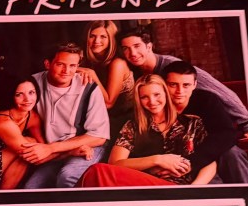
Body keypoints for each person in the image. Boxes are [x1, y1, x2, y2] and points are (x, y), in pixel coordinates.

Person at [79, 74, 215, 187]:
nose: (152, 101)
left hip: (181, 187)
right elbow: (115, 163)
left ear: (166, 93)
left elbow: (211, 161)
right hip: (145, 185)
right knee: (98, 171)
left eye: (157, 94)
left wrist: (195, 188)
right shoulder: (133, 126)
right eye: (144, 97)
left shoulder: (193, 122)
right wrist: (157, 160)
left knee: (97, 172)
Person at [118, 26, 248, 136]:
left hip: (209, 123)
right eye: (126, 49)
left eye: (137, 46)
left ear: (149, 47)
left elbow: (222, 93)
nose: (133, 53)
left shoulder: (172, 66)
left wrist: (247, 124)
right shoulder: (135, 72)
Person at [21, 42, 111, 188]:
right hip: (55, 153)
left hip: (85, 147)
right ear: (47, 64)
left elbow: (99, 136)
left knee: (67, 177)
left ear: (78, 66)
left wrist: (51, 148)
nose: (66, 71)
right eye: (60, 64)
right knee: (31, 189)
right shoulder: (32, 84)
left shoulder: (89, 87)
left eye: (72, 66)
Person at [162, 60, 248, 183]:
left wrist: (193, 162)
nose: (180, 91)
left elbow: (226, 134)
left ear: (194, 85)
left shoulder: (206, 100)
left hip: (208, 151)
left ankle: (245, 192)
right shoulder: (157, 104)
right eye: (173, 85)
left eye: (186, 85)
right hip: (177, 156)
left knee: (232, 153)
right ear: (164, 84)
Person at [75, 20, 133, 132]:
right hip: (98, 117)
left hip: (123, 120)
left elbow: (108, 103)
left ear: (111, 39)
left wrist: (92, 74)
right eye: (92, 36)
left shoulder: (118, 63)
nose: (97, 41)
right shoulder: (87, 60)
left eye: (103, 37)